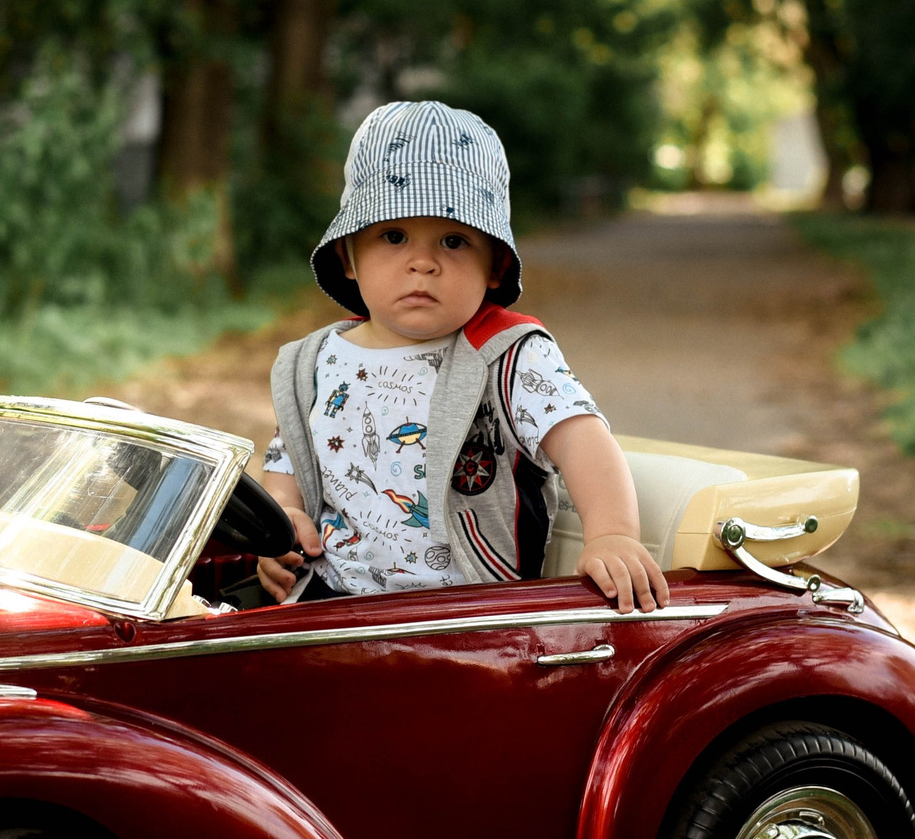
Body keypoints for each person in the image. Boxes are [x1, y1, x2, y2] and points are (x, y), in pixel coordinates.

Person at [256, 101, 670, 613]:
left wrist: (611, 535)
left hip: (470, 617)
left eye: (454, 241)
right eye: (393, 236)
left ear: (494, 266)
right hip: (330, 605)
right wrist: (285, 514)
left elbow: (584, 439)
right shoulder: (314, 363)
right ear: (348, 256)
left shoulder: (509, 357)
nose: (423, 262)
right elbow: (288, 457)